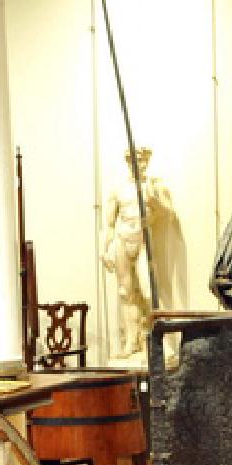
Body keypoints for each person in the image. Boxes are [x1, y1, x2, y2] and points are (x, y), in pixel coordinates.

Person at [101, 147, 174, 367]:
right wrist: (104, 249)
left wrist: (155, 203)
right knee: (126, 292)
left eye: (143, 160)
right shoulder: (118, 188)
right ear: (128, 161)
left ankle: (157, 343)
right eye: (135, 160)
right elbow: (108, 222)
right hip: (122, 239)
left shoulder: (153, 186)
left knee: (148, 292)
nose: (139, 164)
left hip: (143, 239)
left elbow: (168, 213)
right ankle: (131, 342)